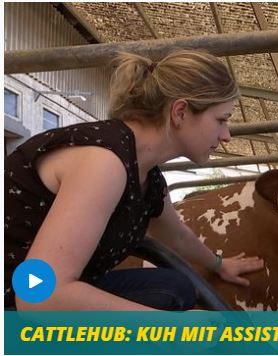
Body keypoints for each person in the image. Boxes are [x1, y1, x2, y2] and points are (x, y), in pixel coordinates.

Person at [5, 50, 264, 310]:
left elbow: (178, 235)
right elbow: (39, 297)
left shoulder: (147, 174)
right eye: (221, 120)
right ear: (180, 112)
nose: (227, 135)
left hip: (50, 288)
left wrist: (220, 265)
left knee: (175, 287)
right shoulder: (104, 162)